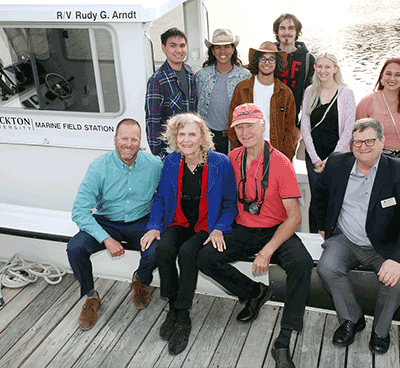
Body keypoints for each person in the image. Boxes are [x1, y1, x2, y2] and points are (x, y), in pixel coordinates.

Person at [198, 103, 313, 368]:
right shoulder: (233, 158)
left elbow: (294, 217)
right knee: (205, 258)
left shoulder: (281, 163)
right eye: (240, 127)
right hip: (244, 227)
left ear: (263, 126)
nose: (245, 131)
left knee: (302, 264)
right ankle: (254, 291)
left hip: (276, 229)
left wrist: (268, 250)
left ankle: (284, 339)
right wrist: (216, 228)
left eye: (250, 125)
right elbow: (225, 200)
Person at [312, 118, 400, 354]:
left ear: (382, 142)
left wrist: (399, 259)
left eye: (369, 141)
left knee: (399, 281)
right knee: (327, 267)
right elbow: (320, 194)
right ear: (351, 144)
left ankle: (380, 330)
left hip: (384, 244)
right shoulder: (337, 163)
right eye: (357, 142)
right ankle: (352, 319)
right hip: (346, 238)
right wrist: (322, 226)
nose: (363, 147)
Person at [140, 113, 237, 355]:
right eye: (181, 134)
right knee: (163, 248)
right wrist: (154, 225)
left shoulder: (220, 162)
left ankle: (182, 316)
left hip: (206, 222)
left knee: (187, 253)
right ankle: (173, 306)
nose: (186, 140)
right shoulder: (172, 161)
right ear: (174, 137)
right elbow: (161, 198)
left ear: (202, 136)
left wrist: (219, 228)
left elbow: (230, 204)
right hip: (180, 218)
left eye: (192, 134)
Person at [66, 118, 163, 331]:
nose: (129, 144)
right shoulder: (99, 167)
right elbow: (79, 211)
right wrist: (106, 238)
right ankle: (91, 296)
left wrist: (156, 225)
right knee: (75, 248)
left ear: (141, 142)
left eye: (134, 139)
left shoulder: (155, 165)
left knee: (159, 249)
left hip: (141, 220)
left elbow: (164, 198)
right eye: (124, 138)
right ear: (115, 140)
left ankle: (141, 280)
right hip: (107, 221)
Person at [300, 53, 356, 233]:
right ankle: (315, 236)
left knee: (335, 196)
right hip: (314, 155)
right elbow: (305, 126)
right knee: (316, 196)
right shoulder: (310, 91)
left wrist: (332, 159)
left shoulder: (346, 93)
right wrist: (315, 158)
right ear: (315, 68)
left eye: (327, 67)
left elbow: (348, 129)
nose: (323, 70)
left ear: (335, 69)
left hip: (338, 155)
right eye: (319, 66)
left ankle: (334, 236)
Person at [227, 41, 297, 161]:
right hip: (247, 150)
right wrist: (237, 152)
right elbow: (232, 123)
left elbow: (290, 131)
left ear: (277, 63)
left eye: (271, 59)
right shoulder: (242, 88)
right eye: (263, 59)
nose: (267, 63)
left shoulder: (285, 93)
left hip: (275, 152)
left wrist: (286, 159)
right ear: (257, 61)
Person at [195, 28, 250, 154]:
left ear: (233, 49)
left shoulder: (244, 76)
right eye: (218, 47)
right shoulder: (201, 76)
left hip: (236, 137)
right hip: (208, 137)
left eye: (226, 46)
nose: (222, 51)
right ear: (213, 51)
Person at [145, 28, 197, 159]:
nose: (178, 50)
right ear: (164, 48)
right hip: (170, 150)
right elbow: (152, 122)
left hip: (191, 146)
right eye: (173, 45)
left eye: (182, 45)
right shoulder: (157, 79)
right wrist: (160, 157)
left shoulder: (189, 73)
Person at [273, 13, 315, 138]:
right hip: (265, 120)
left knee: (286, 158)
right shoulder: (268, 54)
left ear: (297, 32)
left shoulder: (308, 60)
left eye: (291, 28)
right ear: (276, 31)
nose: (287, 32)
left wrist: (301, 127)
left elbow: (311, 98)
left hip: (291, 123)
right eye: (282, 28)